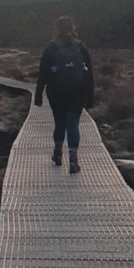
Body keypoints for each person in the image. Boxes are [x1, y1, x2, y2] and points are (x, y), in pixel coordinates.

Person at [34, 16, 94, 173]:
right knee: (73, 124)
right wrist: (90, 98)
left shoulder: (51, 47)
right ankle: (73, 162)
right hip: (78, 91)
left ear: (56, 28)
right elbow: (89, 74)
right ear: (72, 28)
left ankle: (58, 155)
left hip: (56, 91)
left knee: (59, 122)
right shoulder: (80, 47)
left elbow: (43, 73)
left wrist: (38, 95)